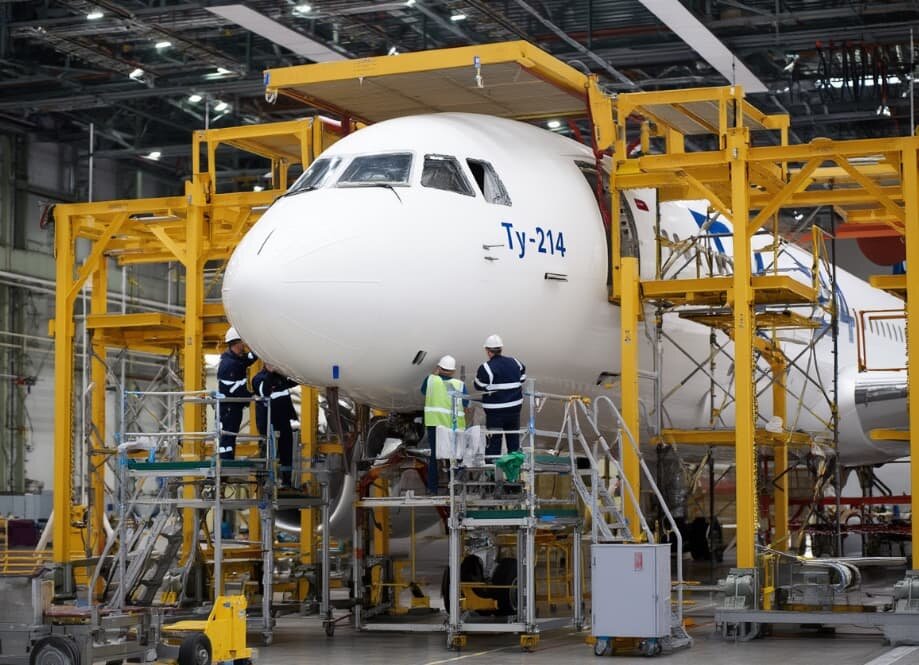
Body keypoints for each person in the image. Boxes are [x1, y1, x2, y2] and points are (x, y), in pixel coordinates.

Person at [420, 355, 468, 495]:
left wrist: (434, 374)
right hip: (454, 426)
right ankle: (457, 488)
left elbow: (423, 391)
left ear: (439, 368)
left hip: (435, 424)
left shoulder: (431, 380)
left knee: (434, 457)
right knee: (457, 456)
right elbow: (465, 403)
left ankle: (432, 489)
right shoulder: (459, 385)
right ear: (453, 371)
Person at [475, 334, 526, 457]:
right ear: (501, 349)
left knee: (494, 442)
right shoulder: (515, 362)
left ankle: (492, 466)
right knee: (513, 440)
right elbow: (522, 378)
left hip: (495, 413)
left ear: (487, 351)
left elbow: (478, 385)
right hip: (514, 410)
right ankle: (514, 467)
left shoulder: (486, 368)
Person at [252, 364, 298, 486]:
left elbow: (294, 382)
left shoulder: (280, 377)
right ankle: (265, 481)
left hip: (283, 420)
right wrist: (269, 373)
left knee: (286, 451)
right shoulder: (259, 378)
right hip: (268, 422)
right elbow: (264, 391)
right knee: (268, 451)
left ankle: (286, 482)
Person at [217, 326, 258, 460]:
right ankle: (225, 463)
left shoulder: (235, 359)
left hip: (233, 407)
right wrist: (251, 396)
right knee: (228, 436)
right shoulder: (229, 364)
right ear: (236, 343)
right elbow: (234, 389)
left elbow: (247, 360)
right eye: (242, 342)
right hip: (229, 408)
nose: (244, 344)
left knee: (231, 435)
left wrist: (259, 351)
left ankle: (227, 461)